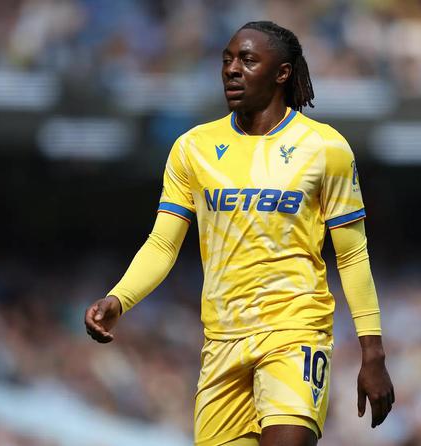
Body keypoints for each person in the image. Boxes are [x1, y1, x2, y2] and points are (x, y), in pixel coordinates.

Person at [85, 21, 394, 446]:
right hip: (221, 343)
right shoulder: (193, 148)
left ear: (282, 73)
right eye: (227, 60)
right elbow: (162, 244)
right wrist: (119, 299)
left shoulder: (325, 148)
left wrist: (372, 352)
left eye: (247, 60)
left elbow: (353, 255)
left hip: (295, 331)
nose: (232, 69)